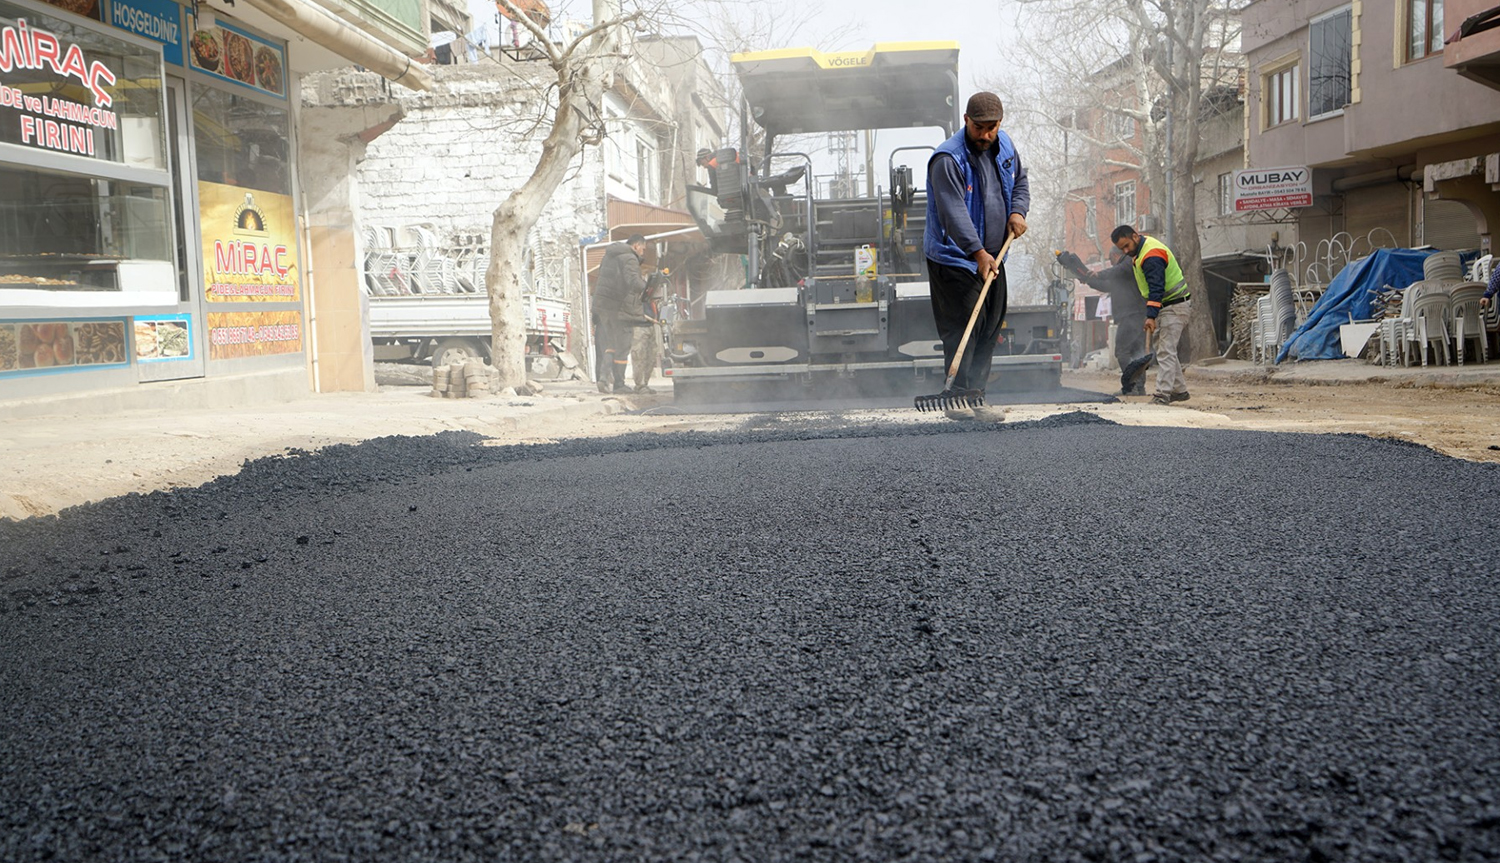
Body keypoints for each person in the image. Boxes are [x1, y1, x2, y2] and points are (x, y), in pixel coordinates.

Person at [923, 91, 1030, 421]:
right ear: (966, 121)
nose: (986, 135)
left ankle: (977, 396)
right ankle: (956, 399)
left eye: (992, 127)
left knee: (989, 326)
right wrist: (977, 252)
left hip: (995, 256)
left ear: (1000, 123)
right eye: (980, 127)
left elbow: (1020, 182)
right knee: (963, 325)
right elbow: (953, 213)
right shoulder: (948, 160)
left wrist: (1018, 211)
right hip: (954, 257)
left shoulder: (1006, 147)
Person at [1111, 225, 1191, 405]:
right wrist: (1152, 313)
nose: (1125, 251)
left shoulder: (1151, 256)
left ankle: (1163, 394)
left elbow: (1156, 288)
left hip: (1175, 306)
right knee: (1166, 350)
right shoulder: (1140, 251)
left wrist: (1151, 316)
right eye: (1121, 249)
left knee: (1166, 351)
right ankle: (1180, 391)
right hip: (1165, 305)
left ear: (1135, 236)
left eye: (1126, 246)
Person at [1057, 247, 1148, 392]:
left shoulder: (1125, 265)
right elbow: (1106, 286)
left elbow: (1107, 278)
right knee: (1137, 352)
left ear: (1115, 255)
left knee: (1122, 351)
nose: (1111, 263)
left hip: (1130, 315)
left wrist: (1093, 274)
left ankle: (1132, 387)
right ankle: (1139, 387)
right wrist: (1086, 277)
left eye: (1110, 259)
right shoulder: (1126, 272)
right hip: (1139, 315)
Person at [592, 234, 650, 394]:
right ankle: (619, 384)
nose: (643, 253)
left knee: (610, 345)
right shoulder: (629, 258)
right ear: (637, 245)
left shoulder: (610, 256)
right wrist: (648, 288)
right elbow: (633, 281)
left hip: (604, 308)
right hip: (620, 309)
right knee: (623, 347)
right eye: (643, 249)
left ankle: (603, 378)